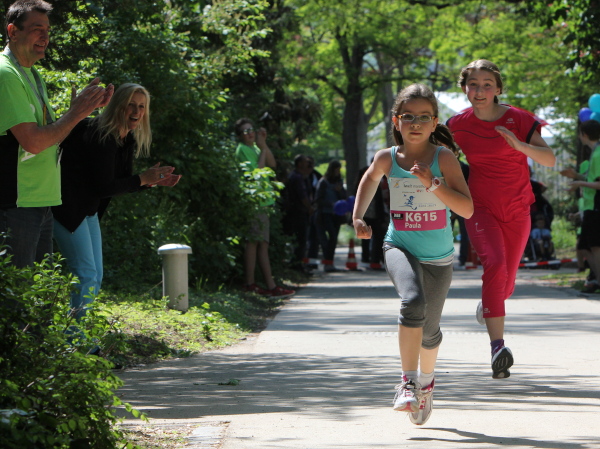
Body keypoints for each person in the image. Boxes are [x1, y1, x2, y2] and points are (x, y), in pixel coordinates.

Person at [353, 83, 473, 425]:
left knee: (430, 331)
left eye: (424, 117)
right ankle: (407, 382)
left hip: (439, 257)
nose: (416, 123)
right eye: (408, 117)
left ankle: (426, 384)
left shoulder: (444, 158)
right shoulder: (387, 158)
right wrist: (358, 217)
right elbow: (369, 179)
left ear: (434, 123)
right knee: (412, 302)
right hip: (399, 246)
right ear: (396, 121)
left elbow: (466, 209)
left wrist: (432, 183)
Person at [447, 59, 555, 378]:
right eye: (473, 85)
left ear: (498, 89)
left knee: (506, 284)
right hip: (480, 206)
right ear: (464, 88)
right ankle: (498, 348)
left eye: (487, 85)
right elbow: (437, 153)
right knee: (494, 265)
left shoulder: (519, 119)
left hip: (518, 208)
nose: (480, 91)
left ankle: (490, 303)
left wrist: (520, 145)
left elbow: (549, 159)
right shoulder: (456, 124)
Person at [0, 0, 113, 269]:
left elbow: (52, 137)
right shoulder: (6, 74)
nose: (45, 37)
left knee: (40, 289)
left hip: (40, 200)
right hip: (16, 203)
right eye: (37, 29)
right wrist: (76, 113)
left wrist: (81, 112)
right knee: (18, 290)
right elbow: (33, 141)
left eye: (47, 30)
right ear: (13, 31)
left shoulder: (32, 74)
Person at [52, 84, 180, 320]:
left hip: (88, 211)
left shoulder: (125, 138)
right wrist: (143, 179)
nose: (136, 111)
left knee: (95, 276)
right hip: (67, 208)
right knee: (86, 276)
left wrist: (150, 181)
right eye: (131, 104)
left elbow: (120, 182)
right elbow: (104, 187)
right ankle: (74, 337)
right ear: (118, 106)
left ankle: (79, 333)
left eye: (141, 106)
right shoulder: (102, 135)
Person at [234, 118, 295, 299]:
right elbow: (259, 172)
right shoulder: (242, 150)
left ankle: (270, 285)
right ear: (239, 136)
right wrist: (261, 149)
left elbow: (272, 164)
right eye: (245, 131)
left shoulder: (256, 147)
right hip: (254, 201)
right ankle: (251, 284)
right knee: (253, 242)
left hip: (264, 202)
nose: (250, 133)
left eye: (251, 130)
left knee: (263, 244)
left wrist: (263, 145)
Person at [563, 120, 600, 293]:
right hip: (591, 206)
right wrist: (576, 176)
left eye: (580, 133)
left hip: (595, 205)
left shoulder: (598, 154)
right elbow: (592, 179)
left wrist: (579, 183)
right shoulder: (595, 152)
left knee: (594, 246)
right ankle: (596, 279)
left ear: (584, 135)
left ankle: (598, 280)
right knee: (586, 246)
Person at [283, 154, 314, 270]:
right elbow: (302, 196)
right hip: (298, 213)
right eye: (305, 162)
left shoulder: (300, 176)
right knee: (301, 239)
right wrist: (309, 207)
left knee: (300, 239)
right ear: (300, 164)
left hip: (296, 212)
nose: (308, 163)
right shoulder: (297, 177)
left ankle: (298, 263)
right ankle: (297, 265)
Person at [315, 160, 347, 272]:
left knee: (334, 238)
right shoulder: (324, 182)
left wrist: (339, 191)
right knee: (330, 236)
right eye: (336, 169)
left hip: (337, 214)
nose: (337, 172)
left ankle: (330, 262)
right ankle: (327, 261)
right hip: (326, 213)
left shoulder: (339, 182)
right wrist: (331, 204)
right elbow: (318, 199)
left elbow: (344, 196)